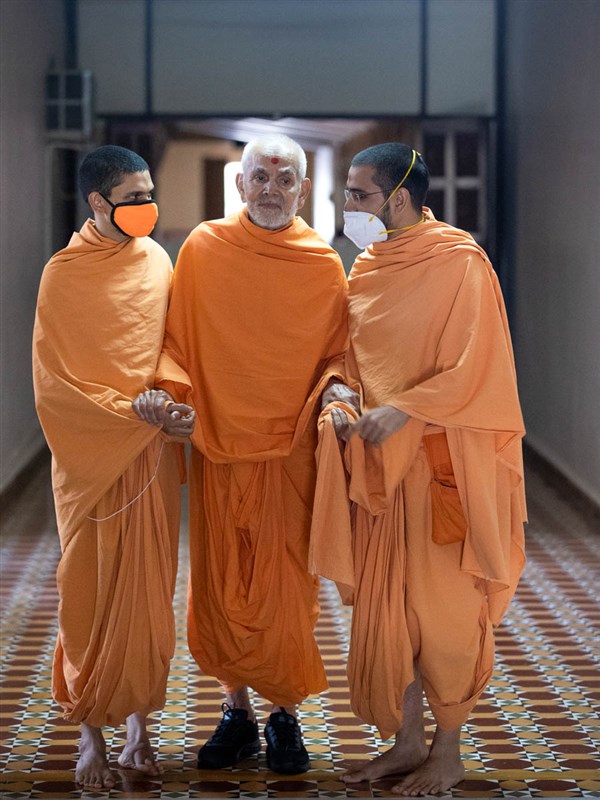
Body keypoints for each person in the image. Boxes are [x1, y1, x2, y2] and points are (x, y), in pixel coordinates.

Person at [311, 142, 527, 796]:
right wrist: (339, 392)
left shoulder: (459, 263)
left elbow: (478, 367)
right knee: (392, 614)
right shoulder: (368, 266)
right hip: (380, 472)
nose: (347, 205)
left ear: (399, 197)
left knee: (445, 616)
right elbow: (350, 354)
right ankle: (407, 742)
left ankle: (448, 751)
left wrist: (404, 409)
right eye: (348, 194)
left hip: (439, 469)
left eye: (359, 194)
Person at [133, 134, 348, 774]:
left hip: (291, 451)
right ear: (240, 183)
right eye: (260, 177)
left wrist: (339, 389)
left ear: (303, 191)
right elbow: (177, 341)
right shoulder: (204, 249)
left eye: (285, 180)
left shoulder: (321, 263)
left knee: (287, 587)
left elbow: (339, 353)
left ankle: (284, 715)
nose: (271, 190)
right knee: (222, 581)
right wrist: (173, 398)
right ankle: (237, 712)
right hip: (220, 443)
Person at [32, 145, 195, 790]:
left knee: (148, 597)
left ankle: (137, 728)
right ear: (99, 202)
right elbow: (56, 382)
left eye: (150, 193)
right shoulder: (63, 274)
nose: (147, 207)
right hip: (91, 457)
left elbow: (171, 347)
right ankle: (89, 735)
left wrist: (169, 402)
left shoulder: (157, 260)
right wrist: (126, 411)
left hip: (149, 453)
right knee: (91, 592)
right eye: (134, 197)